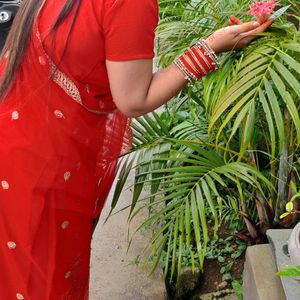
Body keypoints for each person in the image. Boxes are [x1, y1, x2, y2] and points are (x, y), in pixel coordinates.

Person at [0, 0, 272, 299]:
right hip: (44, 169)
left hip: (15, 139)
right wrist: (208, 48)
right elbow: (133, 99)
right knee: (42, 281)